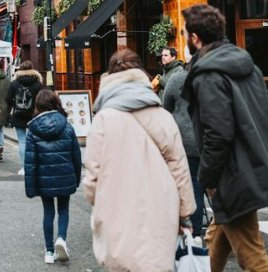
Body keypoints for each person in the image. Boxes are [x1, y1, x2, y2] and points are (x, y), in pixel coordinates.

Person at [83, 49, 195, 272]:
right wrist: (185, 214)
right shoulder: (162, 116)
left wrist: (100, 199)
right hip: (161, 207)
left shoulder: (104, 119)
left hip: (116, 208)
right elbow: (179, 168)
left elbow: (92, 177)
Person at [181, 3, 268, 271]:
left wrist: (208, 176)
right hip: (250, 164)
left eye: (184, 33)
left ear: (195, 38)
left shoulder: (208, 75)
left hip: (231, 175)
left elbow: (217, 133)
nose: (183, 38)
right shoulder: (247, 66)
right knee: (216, 241)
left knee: (251, 255)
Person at [24, 89, 82, 264]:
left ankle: (49, 251)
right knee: (63, 208)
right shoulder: (67, 125)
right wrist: (76, 177)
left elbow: (30, 162)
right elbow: (76, 156)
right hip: (65, 175)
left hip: (44, 178)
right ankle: (61, 239)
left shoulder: (33, 129)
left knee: (48, 211)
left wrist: (30, 187)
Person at [162, 55, 204, 235]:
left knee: (193, 186)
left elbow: (165, 108)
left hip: (187, 142)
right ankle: (223, 232)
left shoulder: (177, 78)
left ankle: (194, 233)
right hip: (212, 140)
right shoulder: (213, 79)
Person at [7, 61, 44, 175]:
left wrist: (15, 106)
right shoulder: (38, 84)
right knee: (34, 142)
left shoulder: (14, 83)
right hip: (34, 116)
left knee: (22, 142)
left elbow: (8, 99)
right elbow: (42, 99)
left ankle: (24, 167)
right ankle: (34, 165)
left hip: (18, 115)